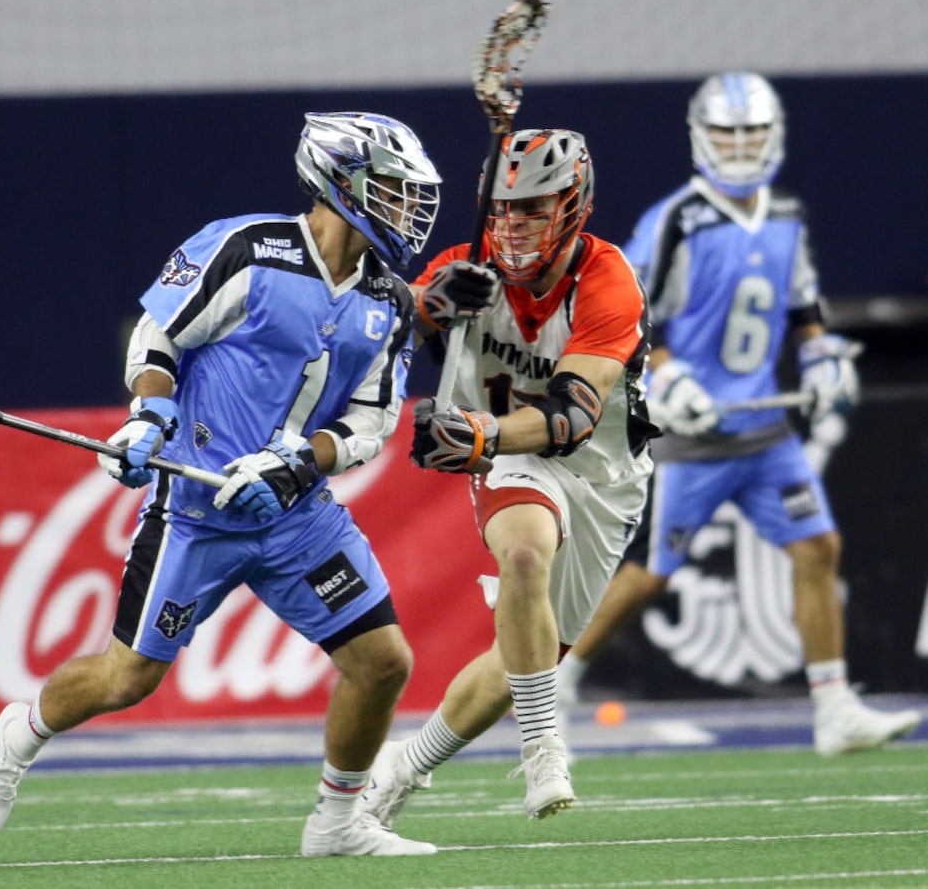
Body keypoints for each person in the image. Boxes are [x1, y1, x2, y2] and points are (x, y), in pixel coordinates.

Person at [0, 111, 446, 857]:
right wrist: (149, 417)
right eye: (389, 188)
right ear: (337, 178)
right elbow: (159, 335)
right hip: (195, 515)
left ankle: (339, 824)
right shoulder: (246, 248)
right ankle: (21, 732)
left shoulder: (389, 300)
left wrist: (294, 465)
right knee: (127, 678)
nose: (405, 208)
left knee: (383, 662)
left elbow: (369, 422)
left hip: (297, 517)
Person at [556, 71, 920, 757]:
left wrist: (821, 360)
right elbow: (619, 311)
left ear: (773, 134)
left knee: (818, 546)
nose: (741, 145)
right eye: (727, 132)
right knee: (644, 575)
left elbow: (802, 307)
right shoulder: (677, 220)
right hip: (691, 435)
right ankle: (557, 680)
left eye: (752, 131)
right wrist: (667, 376)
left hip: (763, 432)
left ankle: (834, 706)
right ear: (702, 137)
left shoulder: (784, 216)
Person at [362, 128, 658, 826]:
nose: (512, 227)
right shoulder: (464, 265)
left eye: (530, 210)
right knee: (525, 549)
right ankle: (543, 745)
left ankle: (406, 765)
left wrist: (482, 431)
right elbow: (371, 330)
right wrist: (425, 305)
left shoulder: (608, 279)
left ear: (573, 205)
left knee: (524, 657)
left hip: (600, 472)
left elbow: (569, 417)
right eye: (501, 210)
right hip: (510, 463)